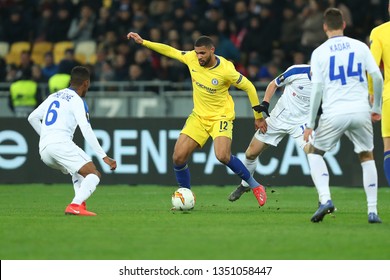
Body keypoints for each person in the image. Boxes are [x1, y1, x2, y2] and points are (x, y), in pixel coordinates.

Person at [127, 32, 267, 207]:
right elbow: (170, 51)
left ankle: (255, 186)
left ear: (212, 51)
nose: (198, 56)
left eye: (202, 53)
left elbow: (250, 88)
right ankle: (185, 194)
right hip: (199, 117)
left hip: (220, 117)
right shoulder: (191, 58)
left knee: (222, 155)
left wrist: (258, 117)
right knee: (178, 157)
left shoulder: (226, 70)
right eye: (197, 52)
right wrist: (144, 42)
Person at [303, 8, 384, 223]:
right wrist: (376, 107)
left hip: (334, 112)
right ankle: (372, 211)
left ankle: (325, 199)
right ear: (344, 25)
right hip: (361, 111)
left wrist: (311, 123)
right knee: (367, 157)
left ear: (324, 27)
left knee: (313, 152)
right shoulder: (360, 47)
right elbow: (377, 77)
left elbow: (317, 90)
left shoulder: (319, 52)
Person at [27, 66, 117, 216]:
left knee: (78, 171)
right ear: (86, 83)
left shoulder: (54, 96)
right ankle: (75, 205)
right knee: (94, 174)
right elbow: (86, 129)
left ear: (71, 81)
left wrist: (46, 137)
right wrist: (104, 156)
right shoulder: (77, 100)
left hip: (44, 150)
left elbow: (32, 118)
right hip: (61, 144)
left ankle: (80, 205)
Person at [229, 64, 312, 201]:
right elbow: (274, 84)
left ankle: (324, 199)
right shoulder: (296, 71)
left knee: (313, 154)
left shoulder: (328, 80)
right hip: (278, 118)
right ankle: (245, 185)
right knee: (251, 153)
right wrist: (265, 103)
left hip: (301, 123)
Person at [368, 1, 390, 186]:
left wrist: (371, 92)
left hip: (389, 96)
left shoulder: (379, 32)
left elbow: (372, 69)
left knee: (389, 148)